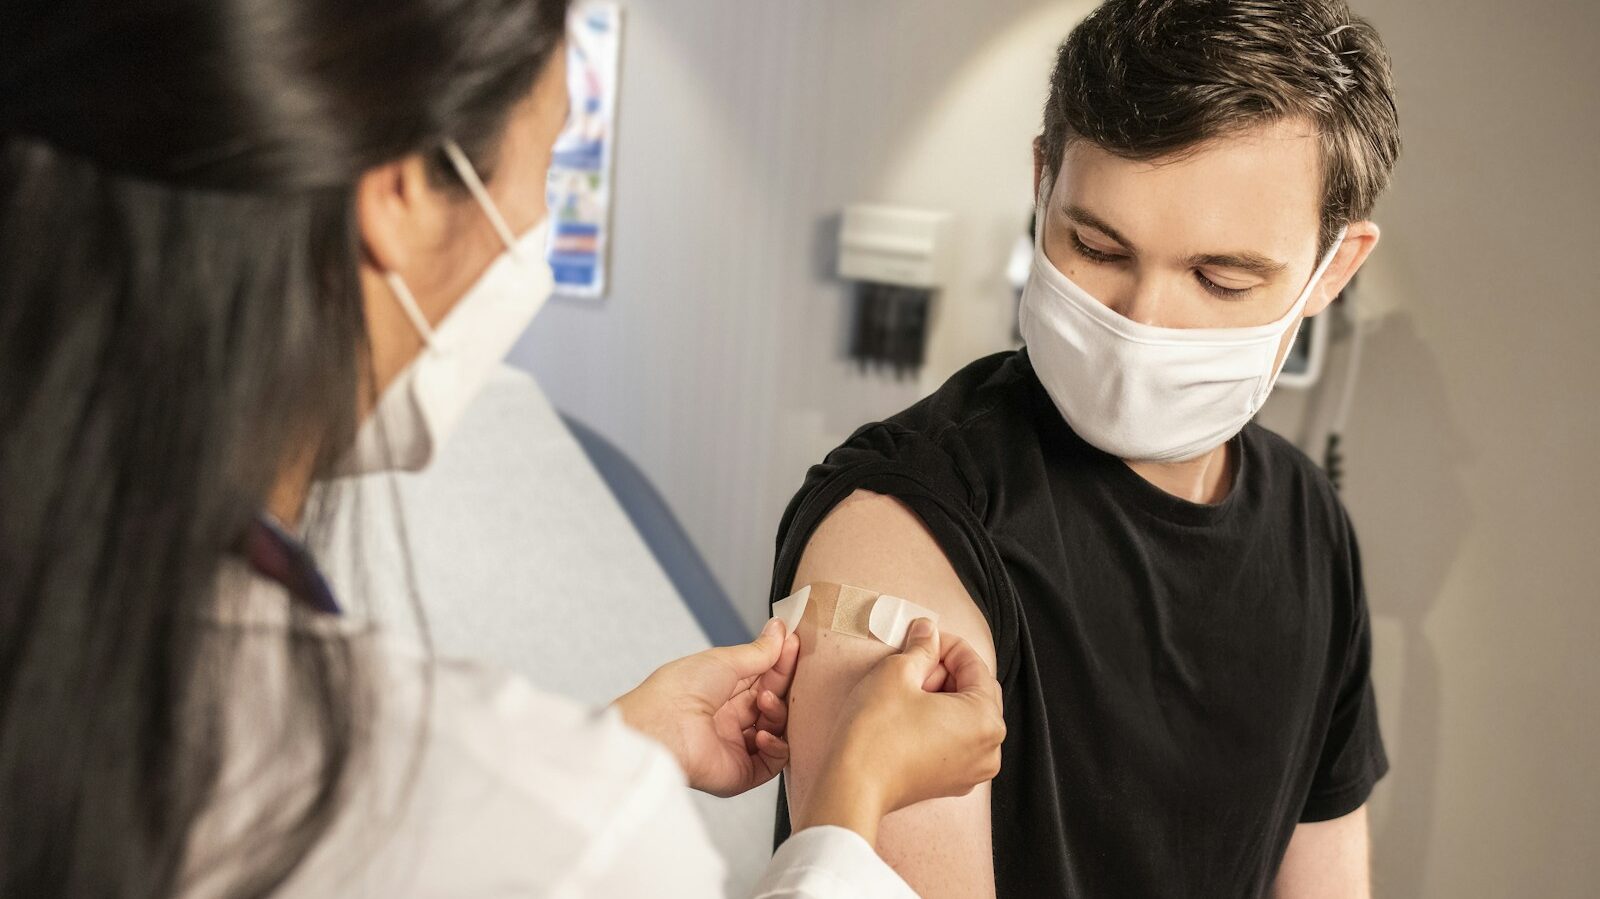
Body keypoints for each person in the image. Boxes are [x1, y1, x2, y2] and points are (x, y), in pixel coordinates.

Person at [0, 1, 1005, 896]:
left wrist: (615, 742)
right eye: (557, 162)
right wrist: (842, 815)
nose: (535, 221)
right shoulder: (558, 826)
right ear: (398, 192)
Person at [771, 1, 1400, 896]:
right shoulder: (905, 521)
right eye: (1096, 245)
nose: (1139, 322)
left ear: (1331, 270)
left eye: (1220, 278)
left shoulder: (1313, 529)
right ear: (1042, 185)